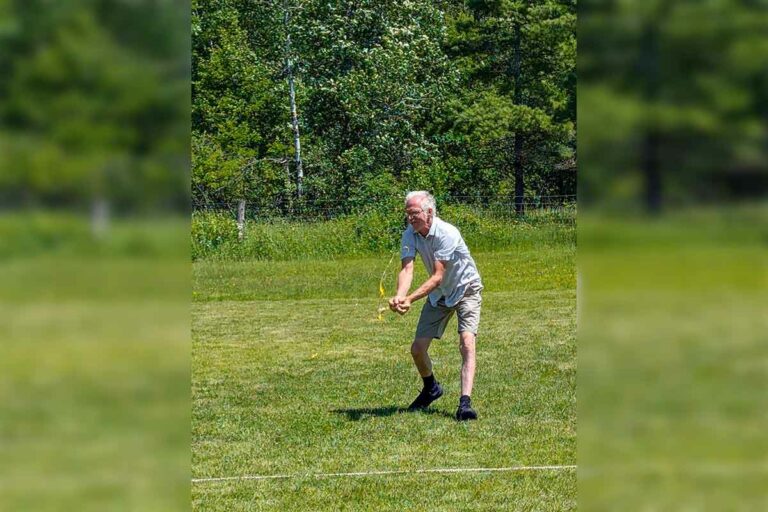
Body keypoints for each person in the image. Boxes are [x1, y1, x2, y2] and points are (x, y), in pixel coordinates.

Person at [389, 191, 483, 421]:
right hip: (439, 295)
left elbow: (438, 275)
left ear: (429, 213)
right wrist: (400, 296)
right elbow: (407, 269)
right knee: (417, 349)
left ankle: (465, 404)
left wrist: (410, 299)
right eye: (407, 213)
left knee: (467, 343)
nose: (410, 218)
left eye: (414, 213)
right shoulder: (410, 234)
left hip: (466, 289)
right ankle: (431, 388)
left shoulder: (447, 233)